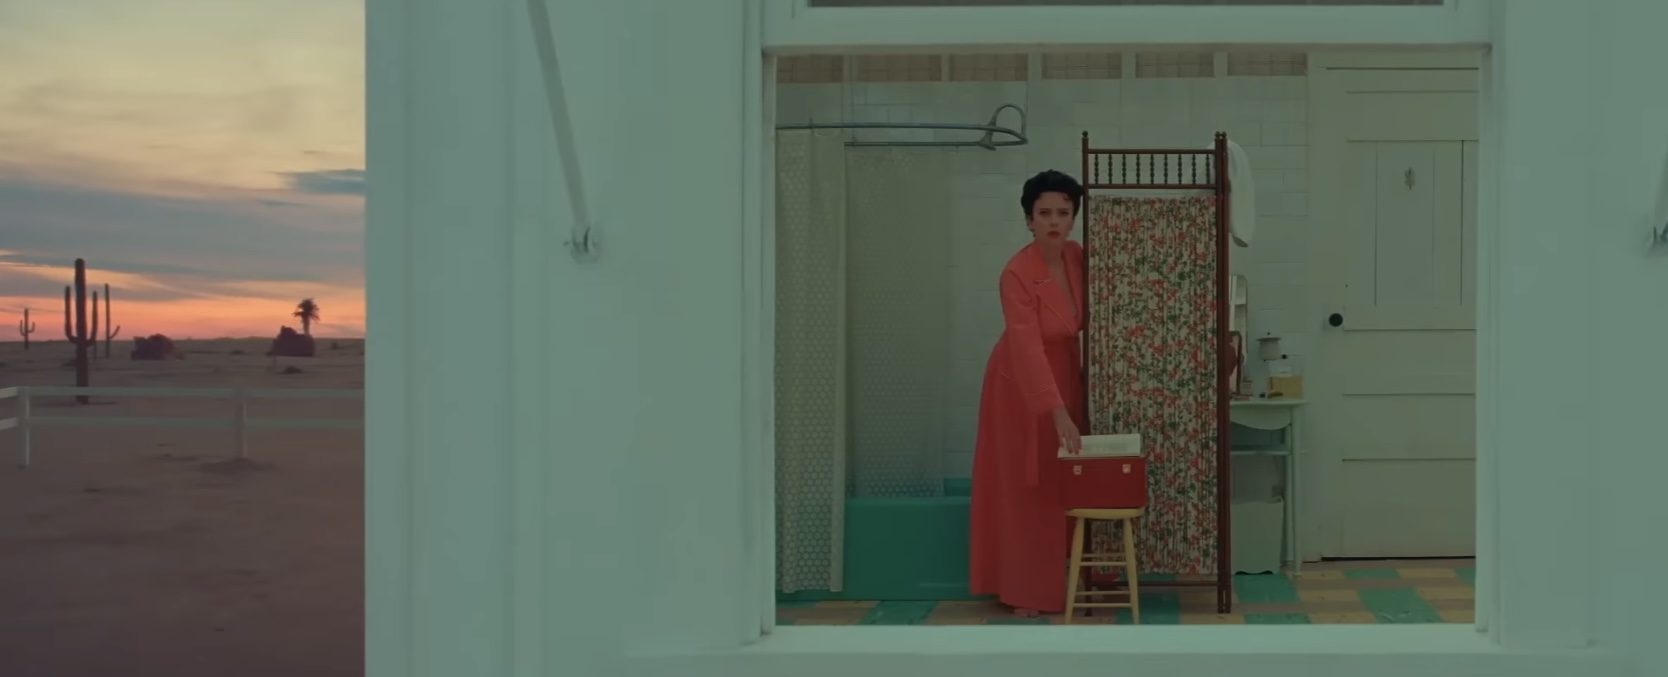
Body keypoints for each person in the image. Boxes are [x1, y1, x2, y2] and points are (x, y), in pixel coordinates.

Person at [968, 169, 1087, 617]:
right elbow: (1027, 347)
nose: (1054, 221)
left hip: (1066, 370)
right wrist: (1057, 410)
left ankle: (1066, 577)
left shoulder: (1077, 257)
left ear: (1073, 217)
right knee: (1026, 480)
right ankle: (1024, 590)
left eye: (1063, 212)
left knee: (1063, 477)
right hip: (1020, 384)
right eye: (1044, 213)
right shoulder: (1017, 273)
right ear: (1029, 219)